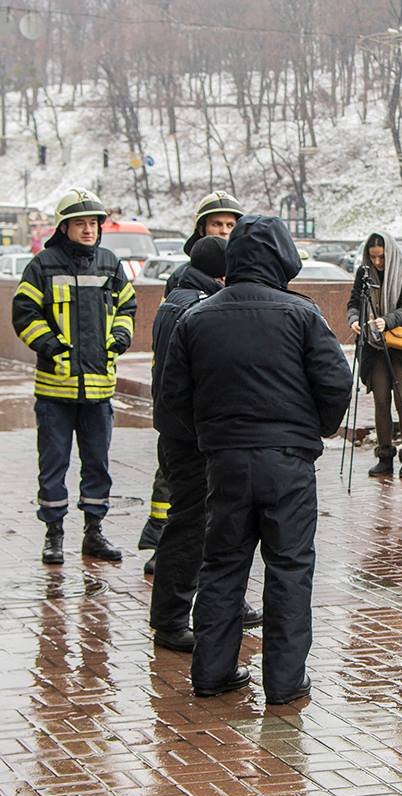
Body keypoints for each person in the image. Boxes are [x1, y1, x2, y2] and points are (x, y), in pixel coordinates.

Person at [162, 215, 352, 704]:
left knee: (223, 565)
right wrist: (314, 429)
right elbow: (336, 382)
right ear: (283, 257)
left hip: (223, 462)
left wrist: (211, 438)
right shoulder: (302, 314)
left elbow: (172, 402)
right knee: (289, 567)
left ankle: (212, 672)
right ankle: (285, 683)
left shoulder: (197, 316)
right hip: (287, 462)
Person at [148, 236, 262, 652]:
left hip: (179, 430)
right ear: (222, 272)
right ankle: (173, 620)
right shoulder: (197, 306)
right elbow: (195, 377)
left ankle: (180, 613)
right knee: (191, 526)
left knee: (192, 522)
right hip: (191, 435)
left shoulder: (176, 296)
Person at [12, 188, 136, 565]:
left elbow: (127, 305)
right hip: (55, 388)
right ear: (64, 227)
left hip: (99, 388)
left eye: (93, 223)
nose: (88, 230)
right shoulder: (42, 265)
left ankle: (94, 532)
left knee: (97, 463)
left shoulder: (110, 264)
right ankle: (54, 535)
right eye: (80, 223)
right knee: (54, 463)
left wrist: (118, 339)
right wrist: (51, 347)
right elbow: (23, 314)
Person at [138, 190, 245, 572]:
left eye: (232, 225)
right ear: (201, 229)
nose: (225, 231)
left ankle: (167, 550)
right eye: (217, 224)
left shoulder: (222, 276)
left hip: (186, 410)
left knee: (179, 482)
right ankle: (162, 547)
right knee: (177, 485)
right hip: (187, 408)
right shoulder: (188, 280)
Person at [346, 232, 402, 477]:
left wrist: (386, 320)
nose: (377, 262)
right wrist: (355, 319)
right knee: (380, 400)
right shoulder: (364, 273)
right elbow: (354, 302)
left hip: (398, 347)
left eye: (381, 257)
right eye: (372, 257)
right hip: (374, 347)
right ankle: (385, 456)